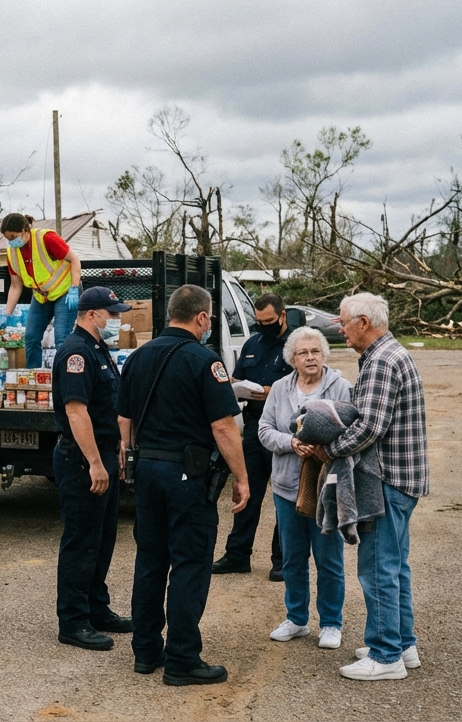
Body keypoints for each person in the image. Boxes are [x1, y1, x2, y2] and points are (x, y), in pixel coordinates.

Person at [117, 284, 249, 686]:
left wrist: (127, 460)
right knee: (190, 564)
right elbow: (224, 427)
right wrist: (242, 478)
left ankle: (145, 650)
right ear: (203, 318)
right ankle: (182, 659)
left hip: (148, 471)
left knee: (150, 560)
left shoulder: (138, 357)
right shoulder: (204, 361)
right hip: (187, 476)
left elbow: (124, 419)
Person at [302, 292, 428, 681]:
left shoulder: (381, 362)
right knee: (395, 567)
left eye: (342, 322)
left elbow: (370, 427)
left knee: (377, 568)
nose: (339, 329)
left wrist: (330, 449)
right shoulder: (390, 355)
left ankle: (385, 654)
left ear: (363, 322)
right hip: (403, 480)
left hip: (387, 481)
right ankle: (402, 644)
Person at [257, 326, 351, 650]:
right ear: (292, 359)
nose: (310, 358)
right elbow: (264, 429)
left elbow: (351, 430)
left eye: (315, 351)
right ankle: (296, 619)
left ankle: (331, 623)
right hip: (286, 487)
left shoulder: (341, 386)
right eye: (303, 353)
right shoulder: (281, 389)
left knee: (329, 558)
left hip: (327, 487)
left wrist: (325, 446)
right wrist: (291, 442)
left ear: (323, 354)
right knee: (293, 557)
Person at [51, 287, 134, 651]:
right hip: (82, 459)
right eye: (110, 313)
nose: (114, 320)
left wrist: (116, 446)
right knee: (82, 542)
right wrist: (95, 463)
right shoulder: (76, 352)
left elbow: (106, 406)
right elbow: (76, 411)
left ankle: (96, 609)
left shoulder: (98, 347)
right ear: (90, 314)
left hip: (101, 452)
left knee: (102, 540)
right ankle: (73, 621)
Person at [214, 293, 291, 580]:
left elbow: (299, 385)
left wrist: (265, 391)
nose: (264, 326)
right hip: (255, 427)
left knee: (284, 495)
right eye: (259, 322)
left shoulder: (296, 346)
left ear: (282, 316)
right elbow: (236, 379)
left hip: (284, 430)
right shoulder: (252, 344)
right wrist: (238, 388)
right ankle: (237, 554)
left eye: (269, 321)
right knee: (246, 490)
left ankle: (282, 560)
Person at [1, 212, 82, 369]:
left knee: (61, 338)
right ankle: (33, 376)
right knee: (31, 337)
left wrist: (74, 288)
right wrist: (7, 314)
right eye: (8, 238)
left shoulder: (46, 238)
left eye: (13, 237)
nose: (11, 242)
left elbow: (74, 259)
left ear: (25, 230)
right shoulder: (12, 253)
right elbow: (16, 285)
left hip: (64, 291)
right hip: (41, 296)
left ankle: (65, 377)